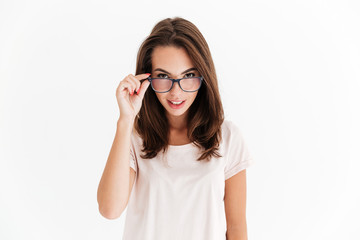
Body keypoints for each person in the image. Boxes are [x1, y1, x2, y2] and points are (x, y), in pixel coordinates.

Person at [97, 17, 255, 240]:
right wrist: (126, 120)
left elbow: (237, 229)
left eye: (188, 76)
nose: (176, 92)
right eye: (163, 77)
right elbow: (109, 209)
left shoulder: (228, 138)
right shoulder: (134, 138)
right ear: (146, 78)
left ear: (204, 75)